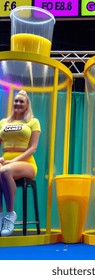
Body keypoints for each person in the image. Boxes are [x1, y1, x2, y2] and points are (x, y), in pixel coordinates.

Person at [0, 90, 41, 237]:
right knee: (2, 170)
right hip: (5, 161)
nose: (17, 103)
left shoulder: (32, 122)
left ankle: (10, 214)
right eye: (16, 101)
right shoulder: (3, 122)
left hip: (26, 163)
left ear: (27, 105)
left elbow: (33, 148)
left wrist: (13, 161)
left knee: (4, 171)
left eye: (21, 101)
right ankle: (0, 215)